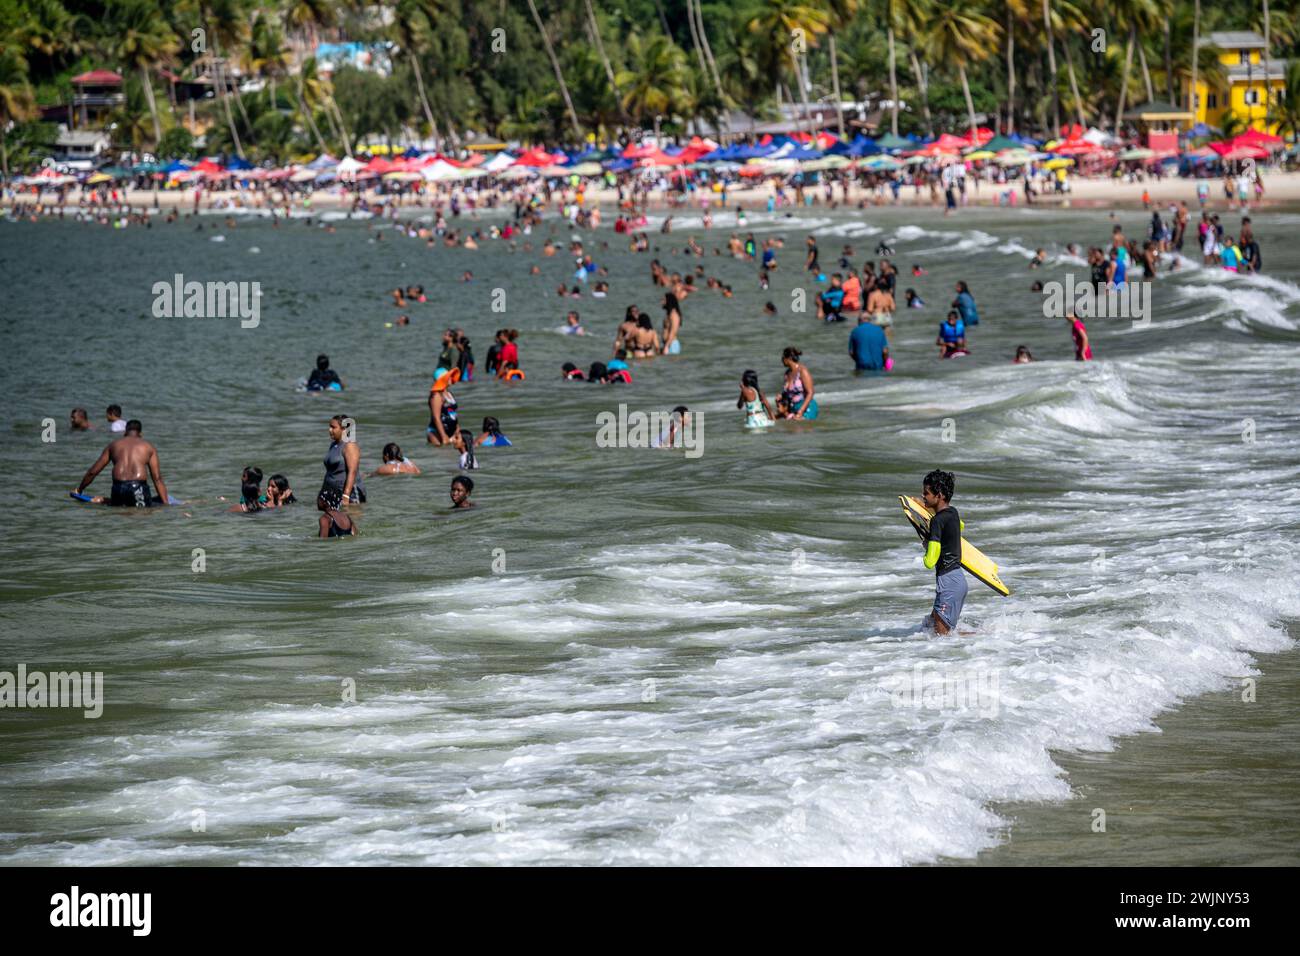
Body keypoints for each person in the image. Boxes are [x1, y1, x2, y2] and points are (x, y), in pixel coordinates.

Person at [73, 419, 170, 507]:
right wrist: (166, 503)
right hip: (137, 489)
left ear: (125, 432)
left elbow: (93, 472)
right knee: (145, 512)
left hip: (118, 489)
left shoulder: (113, 445)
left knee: (119, 509)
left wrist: (80, 489)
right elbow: (157, 479)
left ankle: (102, 500)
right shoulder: (148, 447)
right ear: (140, 433)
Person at [918, 469, 967, 635]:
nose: (923, 496)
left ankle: (990, 637)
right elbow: (960, 526)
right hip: (957, 579)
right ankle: (989, 635)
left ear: (939, 495)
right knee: (929, 626)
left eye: (926, 493)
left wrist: (927, 545)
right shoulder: (953, 512)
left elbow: (930, 561)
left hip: (948, 583)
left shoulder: (937, 521)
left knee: (942, 638)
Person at [321, 414, 366, 507]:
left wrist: (346, 495)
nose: (329, 430)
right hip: (334, 493)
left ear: (344, 429)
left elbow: (352, 471)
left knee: (351, 520)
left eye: (333, 427)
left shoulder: (349, 445)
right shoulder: (333, 445)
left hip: (351, 495)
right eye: (329, 427)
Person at [779, 347, 818, 420]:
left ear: (789, 358)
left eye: (783, 357)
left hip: (806, 407)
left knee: (801, 430)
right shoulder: (787, 374)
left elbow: (811, 392)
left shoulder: (802, 371)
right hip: (794, 407)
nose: (781, 360)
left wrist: (801, 411)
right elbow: (788, 394)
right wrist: (781, 396)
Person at [427, 368, 461, 445]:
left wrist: (457, 430)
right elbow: (436, 417)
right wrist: (443, 436)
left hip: (451, 432)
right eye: (448, 376)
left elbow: (453, 414)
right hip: (437, 433)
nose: (450, 378)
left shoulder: (449, 394)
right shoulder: (436, 395)